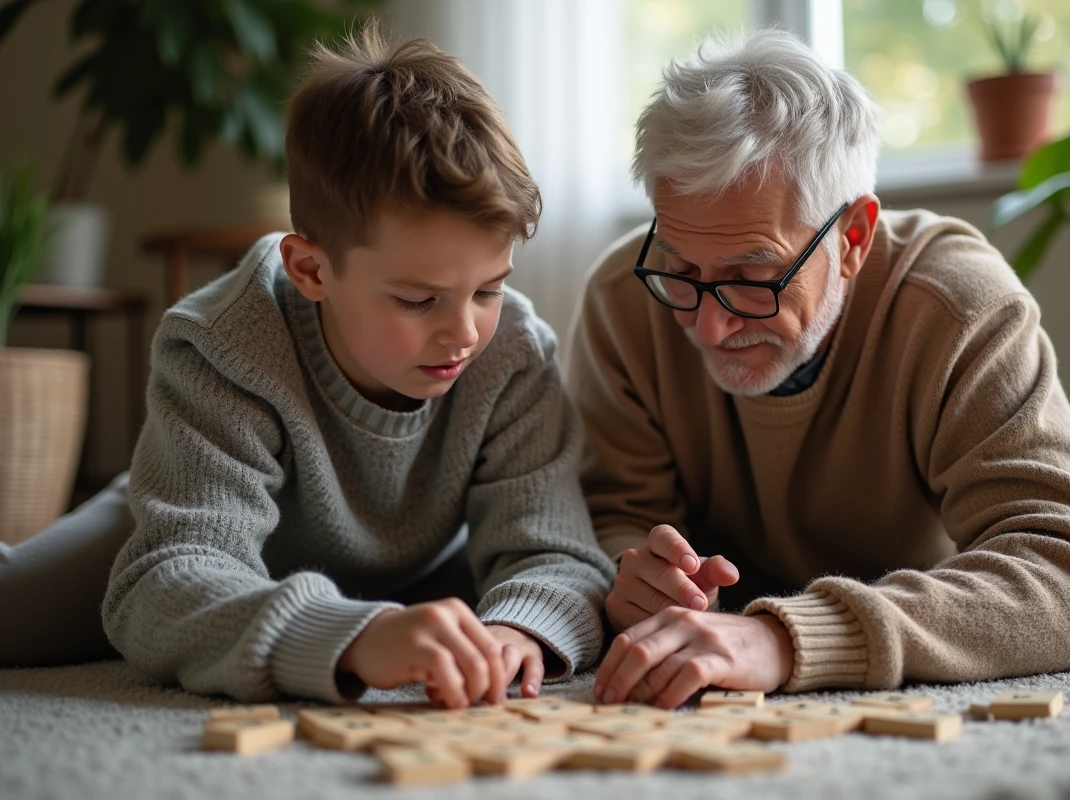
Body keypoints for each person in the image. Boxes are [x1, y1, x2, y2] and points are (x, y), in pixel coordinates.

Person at [0, 24, 614, 708]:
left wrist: (519, 630)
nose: (465, 331)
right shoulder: (223, 344)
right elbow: (164, 582)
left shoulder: (515, 353)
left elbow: (557, 554)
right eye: (419, 299)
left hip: (419, 558)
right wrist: (352, 635)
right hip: (196, 507)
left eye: (490, 289)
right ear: (311, 269)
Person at [570, 29, 1070, 710]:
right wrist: (636, 578)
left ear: (853, 239)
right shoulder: (624, 299)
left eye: (754, 277)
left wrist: (785, 638)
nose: (709, 326)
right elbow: (612, 519)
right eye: (683, 270)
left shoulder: (956, 309)